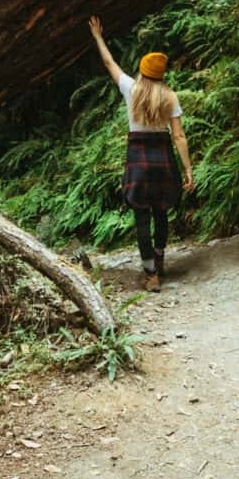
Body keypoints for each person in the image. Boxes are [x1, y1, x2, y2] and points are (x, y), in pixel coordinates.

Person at [87, 15, 193, 290]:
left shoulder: (131, 89)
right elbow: (179, 136)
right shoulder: (170, 97)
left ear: (143, 71)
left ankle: (150, 275)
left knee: (142, 215)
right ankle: (159, 259)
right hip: (163, 157)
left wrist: (98, 37)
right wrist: (188, 170)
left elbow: (110, 63)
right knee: (160, 213)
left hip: (138, 159)